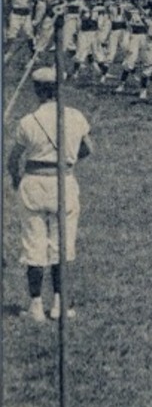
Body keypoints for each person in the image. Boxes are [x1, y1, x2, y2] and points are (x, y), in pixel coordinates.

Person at [7, 68, 94, 322]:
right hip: (64, 182)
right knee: (62, 245)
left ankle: (35, 306)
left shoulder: (28, 121)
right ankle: (59, 304)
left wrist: (16, 179)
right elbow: (89, 148)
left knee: (33, 244)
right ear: (59, 89)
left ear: (36, 90)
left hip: (33, 183)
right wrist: (68, 161)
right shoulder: (75, 117)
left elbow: (13, 160)